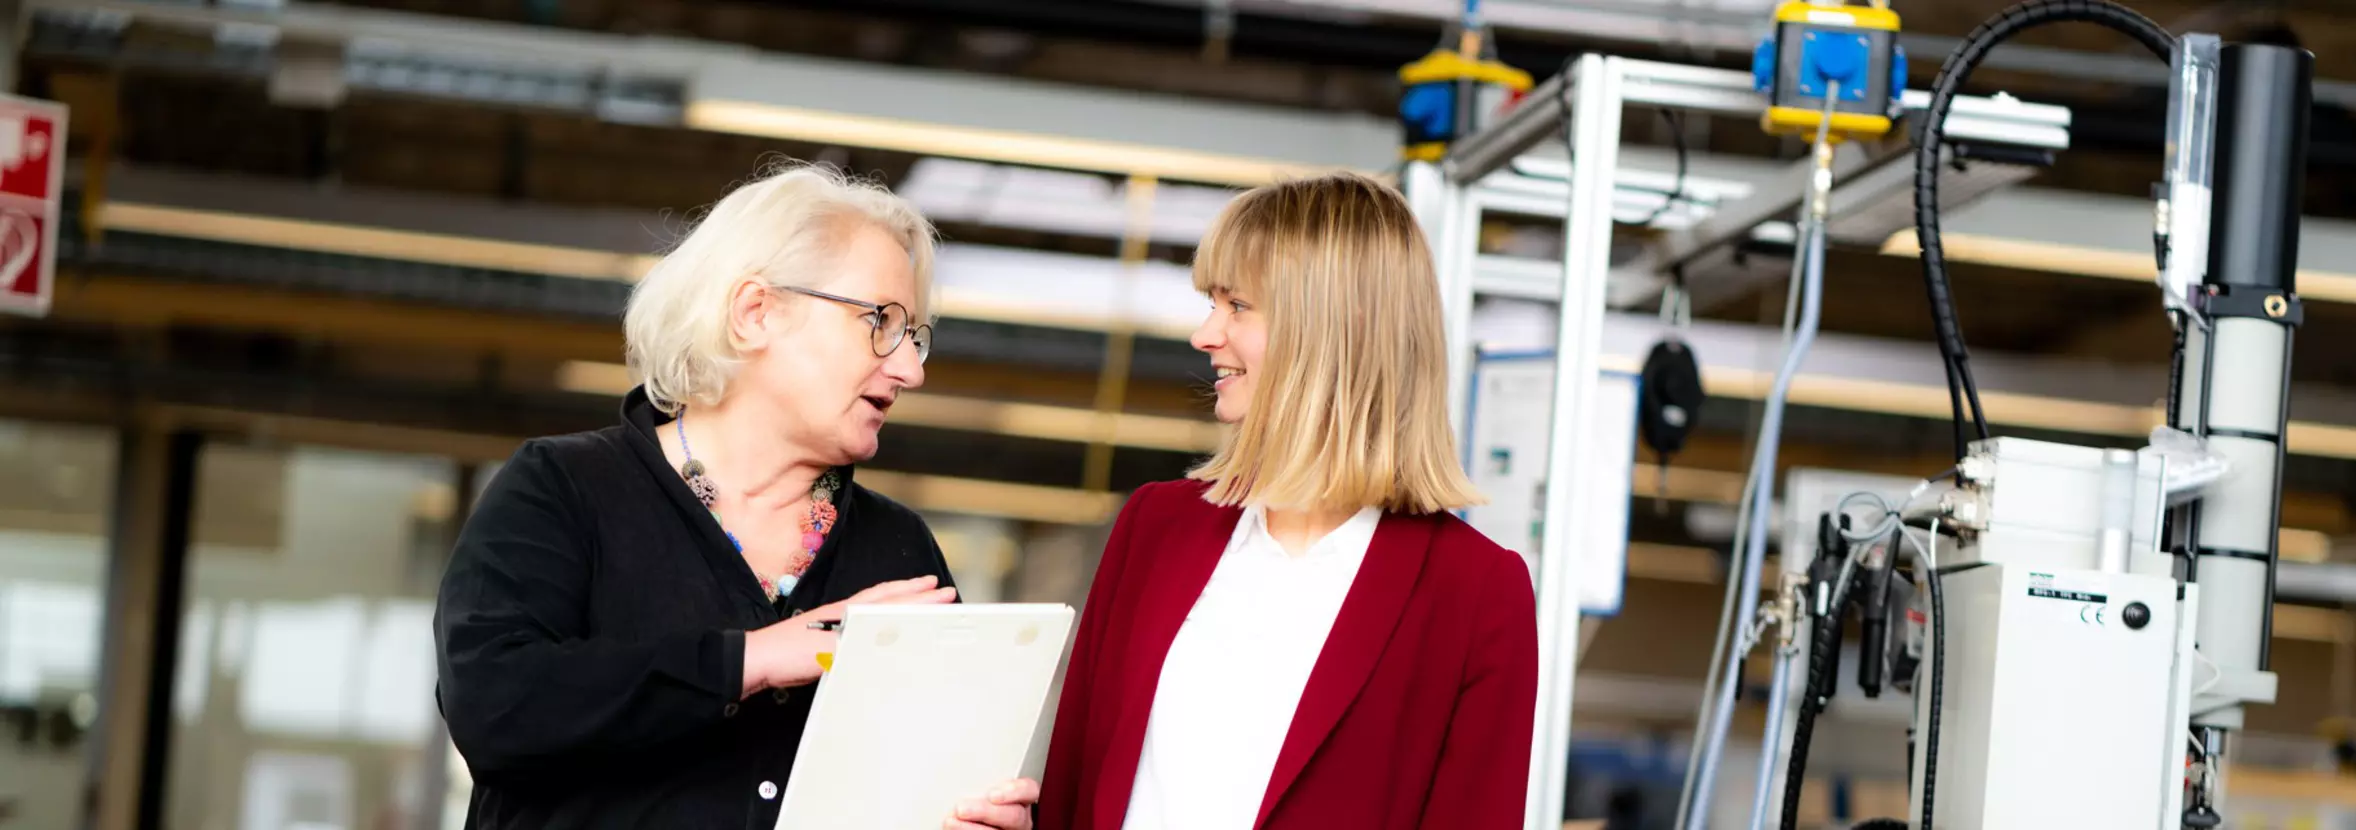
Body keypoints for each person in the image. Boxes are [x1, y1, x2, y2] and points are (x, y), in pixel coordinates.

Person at [433, 163, 1036, 830]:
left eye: (914, 336)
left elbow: (931, 776)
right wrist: (758, 658)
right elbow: (496, 706)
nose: (910, 369)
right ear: (755, 313)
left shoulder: (898, 550)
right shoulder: (565, 489)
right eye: (880, 323)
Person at [1039, 172, 1540, 830]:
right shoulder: (1156, 528)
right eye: (1210, 303)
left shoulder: (1475, 594)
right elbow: (1071, 793)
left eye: (1237, 305)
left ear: (1337, 324)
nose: (1206, 334)